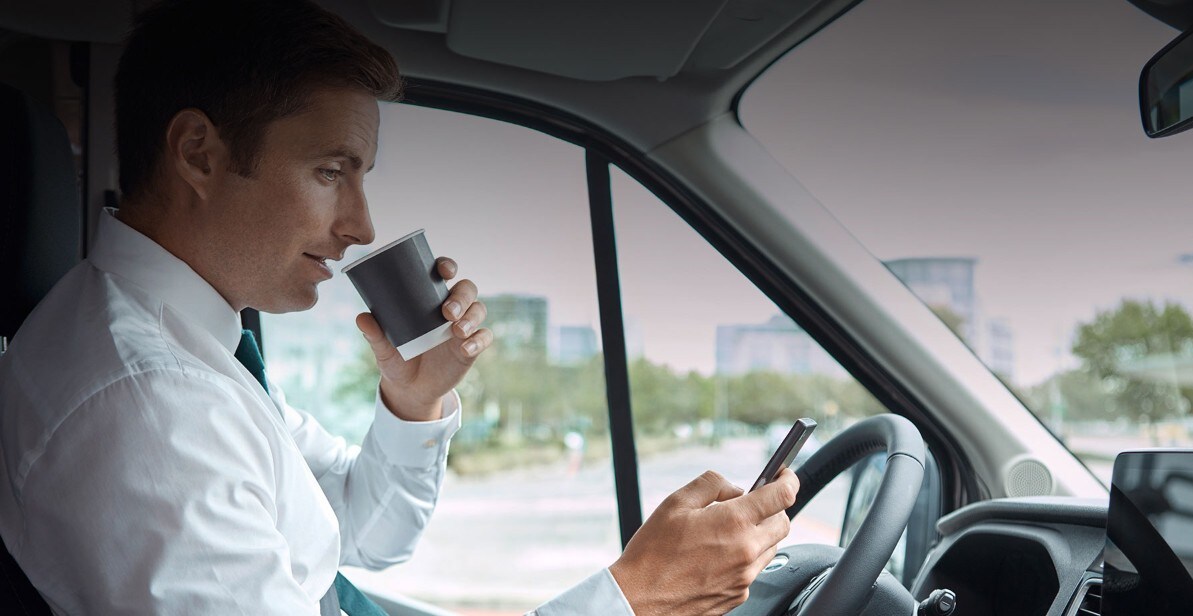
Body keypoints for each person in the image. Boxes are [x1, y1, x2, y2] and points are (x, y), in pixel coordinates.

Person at [0, 0, 799, 614]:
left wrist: (413, 405)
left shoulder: (187, 349)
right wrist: (634, 595)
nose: (361, 227)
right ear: (199, 153)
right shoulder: (150, 410)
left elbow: (360, 535)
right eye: (331, 171)